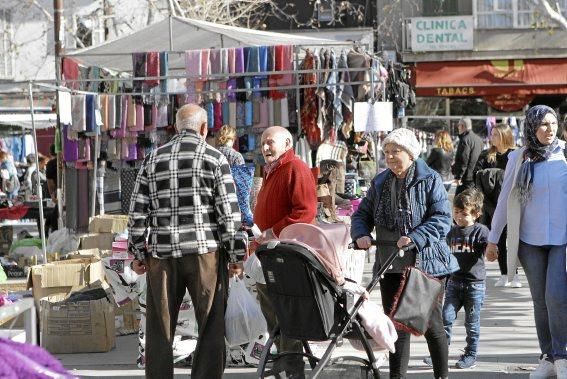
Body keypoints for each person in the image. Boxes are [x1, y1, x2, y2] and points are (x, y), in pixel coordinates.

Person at [127, 104, 244, 379]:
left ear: (176, 128)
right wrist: (236, 256)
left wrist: (137, 252)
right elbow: (229, 214)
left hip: (162, 254)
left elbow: (137, 211)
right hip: (206, 254)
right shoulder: (215, 159)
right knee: (210, 324)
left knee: (159, 327)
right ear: (204, 129)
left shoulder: (152, 159)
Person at [351, 127, 458, 379]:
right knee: (395, 327)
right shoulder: (380, 181)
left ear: (410, 154)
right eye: (386, 152)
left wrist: (415, 237)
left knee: (431, 324)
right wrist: (361, 234)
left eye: (395, 151)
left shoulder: (430, 179)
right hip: (390, 263)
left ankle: (441, 376)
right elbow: (362, 215)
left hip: (425, 264)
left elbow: (442, 219)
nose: (389, 157)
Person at [486, 105, 567, 379]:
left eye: (553, 123)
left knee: (556, 297)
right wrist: (493, 238)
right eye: (543, 124)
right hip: (529, 240)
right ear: (531, 127)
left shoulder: (565, 154)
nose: (550, 129)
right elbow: (505, 198)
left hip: (561, 239)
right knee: (540, 301)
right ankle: (547, 358)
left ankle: (562, 355)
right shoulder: (519, 157)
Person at [253, 126, 317, 378]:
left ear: (288, 143)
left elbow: (304, 213)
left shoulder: (296, 168)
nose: (265, 148)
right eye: (262, 144)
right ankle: (285, 358)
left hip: (286, 254)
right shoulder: (273, 170)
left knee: (286, 309)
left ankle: (292, 364)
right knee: (273, 308)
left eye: (270, 142)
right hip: (270, 253)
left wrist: (272, 231)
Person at [441, 188, 489, 370]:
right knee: (445, 318)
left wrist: (491, 251)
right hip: (453, 283)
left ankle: (470, 355)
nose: (459, 217)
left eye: (464, 213)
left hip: (474, 286)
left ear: (476, 214)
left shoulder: (481, 231)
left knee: (472, 323)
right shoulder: (451, 232)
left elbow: (488, 249)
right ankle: (441, 352)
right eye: (456, 212)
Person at [474, 123, 520, 288]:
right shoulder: (486, 155)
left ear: (504, 136)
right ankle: (503, 273)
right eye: (491, 134)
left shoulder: (514, 155)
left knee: (514, 240)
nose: (491, 137)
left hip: (513, 203)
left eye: (495, 134)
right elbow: (476, 177)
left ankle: (514, 274)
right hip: (492, 204)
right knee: (499, 239)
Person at [216, 124, 254, 227]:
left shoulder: (212, 153)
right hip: (232, 199)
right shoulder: (236, 156)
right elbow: (242, 184)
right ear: (232, 138)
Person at [453, 117, 483, 195]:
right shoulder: (479, 139)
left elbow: (464, 160)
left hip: (466, 178)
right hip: (476, 176)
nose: (458, 127)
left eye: (458, 125)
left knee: (460, 203)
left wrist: (459, 176)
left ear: (462, 126)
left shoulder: (464, 140)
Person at [45, 144, 58, 234]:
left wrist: (53, 196)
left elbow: (50, 184)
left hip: (60, 194)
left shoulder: (50, 164)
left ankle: (53, 235)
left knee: (54, 217)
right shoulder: (66, 161)